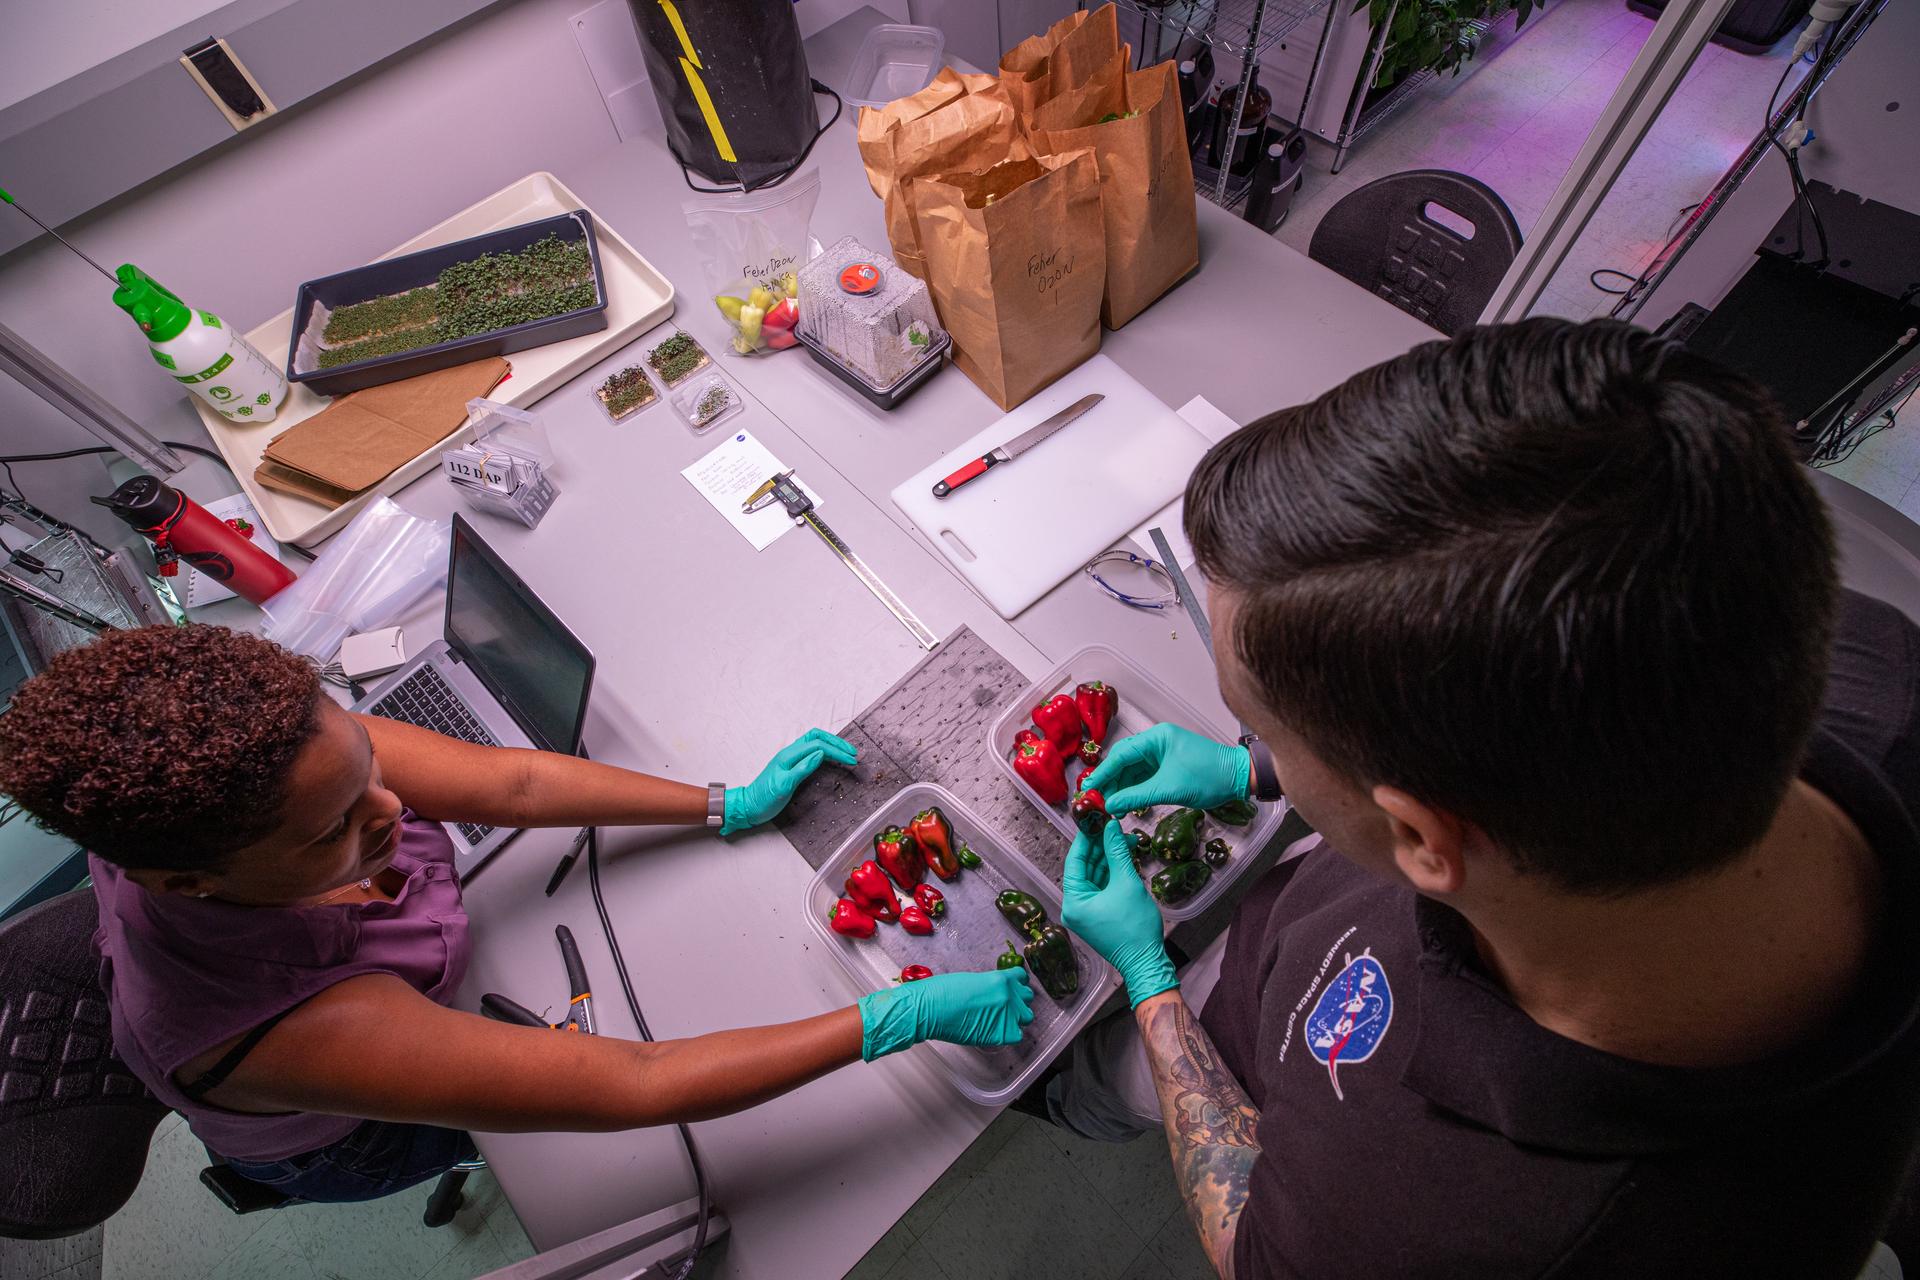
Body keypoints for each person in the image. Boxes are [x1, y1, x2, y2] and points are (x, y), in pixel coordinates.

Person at [1049, 318, 1920, 1278]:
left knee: (1095, 1078)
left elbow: (1251, 1240)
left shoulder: (1447, 1225)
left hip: (1239, 1043)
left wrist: (1151, 987)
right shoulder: (1840, 655)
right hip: (1326, 906)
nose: (1261, 747)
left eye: (1262, 727)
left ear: (1424, 838)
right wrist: (1262, 770)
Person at [0, 624, 1032, 1203]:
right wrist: (898, 1016)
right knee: (537, 1150)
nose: (397, 811)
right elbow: (641, 1076)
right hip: (339, 1128)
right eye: (332, 833)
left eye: (367, 769)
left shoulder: (277, 757)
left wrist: (725, 802)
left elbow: (518, 790)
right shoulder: (283, 1028)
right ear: (192, 882)